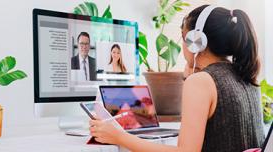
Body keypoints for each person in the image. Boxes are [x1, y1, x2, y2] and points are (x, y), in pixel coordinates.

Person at [89, 5, 265, 152]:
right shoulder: (246, 75)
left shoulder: (202, 82)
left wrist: (119, 137)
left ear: (197, 41)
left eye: (183, 39)